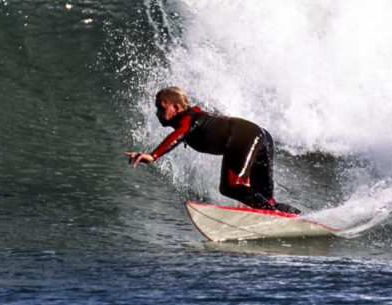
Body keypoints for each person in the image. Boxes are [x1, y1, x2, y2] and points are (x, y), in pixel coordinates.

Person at [125, 86, 300, 214]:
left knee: (229, 187)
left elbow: (179, 134)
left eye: (161, 108)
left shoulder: (188, 119)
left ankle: (273, 213)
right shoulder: (195, 115)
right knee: (264, 198)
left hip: (245, 135)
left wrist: (153, 155)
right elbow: (240, 156)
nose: (157, 113)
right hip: (260, 135)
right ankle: (292, 214)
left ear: (177, 107)